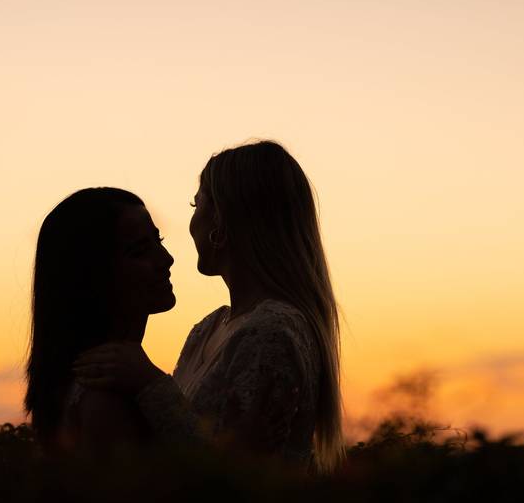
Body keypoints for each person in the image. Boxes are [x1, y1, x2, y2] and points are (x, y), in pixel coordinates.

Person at [74, 141, 344, 473]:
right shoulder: (209, 329)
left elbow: (240, 476)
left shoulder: (271, 332)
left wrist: (149, 384)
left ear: (221, 221)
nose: (190, 221)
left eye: (195, 203)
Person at [24, 187, 175, 448]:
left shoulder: (104, 384)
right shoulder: (106, 398)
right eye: (138, 252)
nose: (166, 259)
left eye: (158, 241)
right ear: (93, 276)